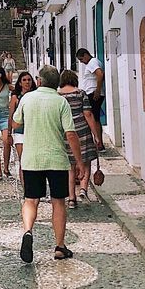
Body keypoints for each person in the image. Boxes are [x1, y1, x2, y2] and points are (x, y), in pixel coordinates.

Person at [12, 65, 86, 264]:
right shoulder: (61, 102)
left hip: (31, 158)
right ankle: (60, 246)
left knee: (30, 200)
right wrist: (79, 162)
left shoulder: (27, 98)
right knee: (58, 202)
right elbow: (70, 133)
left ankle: (28, 231)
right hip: (57, 160)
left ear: (40, 81)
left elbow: (16, 123)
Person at [58, 69, 101, 207]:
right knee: (86, 162)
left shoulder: (58, 95)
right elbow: (88, 114)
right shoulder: (80, 93)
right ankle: (83, 189)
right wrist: (96, 135)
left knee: (70, 167)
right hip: (82, 131)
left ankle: (71, 198)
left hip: (66, 133)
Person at [9, 71, 36, 178]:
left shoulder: (36, 96)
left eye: (29, 80)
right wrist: (8, 134)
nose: (27, 82)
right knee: (23, 161)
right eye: (24, 80)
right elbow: (11, 116)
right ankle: (25, 189)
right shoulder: (15, 98)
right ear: (20, 83)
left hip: (34, 131)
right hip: (20, 132)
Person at [76, 47, 105, 123]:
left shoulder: (92, 62)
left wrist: (97, 90)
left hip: (93, 93)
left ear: (85, 55)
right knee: (95, 117)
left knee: (94, 118)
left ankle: (97, 135)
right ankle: (97, 134)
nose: (81, 62)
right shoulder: (93, 62)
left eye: (81, 59)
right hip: (93, 93)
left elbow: (100, 74)